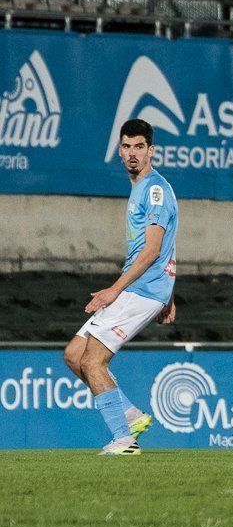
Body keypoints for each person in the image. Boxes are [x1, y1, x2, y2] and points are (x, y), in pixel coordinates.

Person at [62, 118, 178, 455]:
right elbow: (172, 244)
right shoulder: (141, 188)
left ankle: (124, 441)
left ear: (151, 151)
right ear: (119, 150)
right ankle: (130, 415)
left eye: (139, 147)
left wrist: (115, 289)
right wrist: (171, 294)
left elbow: (154, 248)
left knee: (93, 362)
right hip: (146, 287)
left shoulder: (154, 189)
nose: (132, 153)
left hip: (140, 289)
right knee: (74, 355)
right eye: (126, 146)